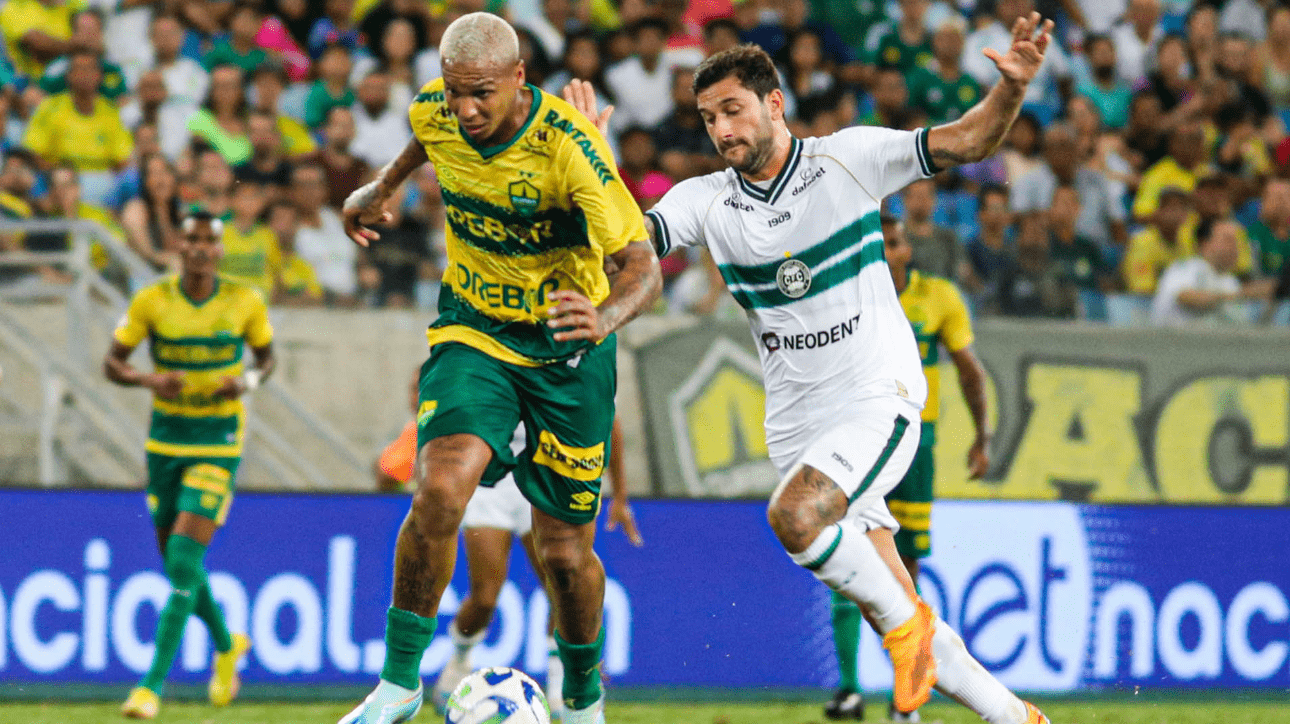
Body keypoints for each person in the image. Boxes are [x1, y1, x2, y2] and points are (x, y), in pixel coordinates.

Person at [572, 20, 1057, 722]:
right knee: (891, 597)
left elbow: (969, 139)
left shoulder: (850, 159)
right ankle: (1015, 715)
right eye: (708, 118)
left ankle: (907, 630)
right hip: (797, 427)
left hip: (878, 396)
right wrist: (592, 156)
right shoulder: (705, 200)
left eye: (733, 109)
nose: (721, 130)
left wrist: (1009, 88)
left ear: (775, 105)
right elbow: (628, 250)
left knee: (797, 519)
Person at [337, 12, 661, 724]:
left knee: (565, 555)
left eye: (482, 93)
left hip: (567, 351)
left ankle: (581, 695)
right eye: (456, 92)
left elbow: (643, 268)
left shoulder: (570, 149)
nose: (466, 109)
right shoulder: (438, 109)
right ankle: (398, 683)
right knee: (441, 487)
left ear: (520, 78)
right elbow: (428, 133)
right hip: (476, 329)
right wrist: (382, 187)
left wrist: (601, 320)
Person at [106, 210, 273, 720]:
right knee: (179, 563)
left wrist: (243, 383)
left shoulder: (244, 300)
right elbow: (112, 362)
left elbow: (267, 361)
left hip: (219, 440)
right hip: (166, 440)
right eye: (192, 239)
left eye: (209, 241)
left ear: (220, 249)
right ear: (179, 244)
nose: (200, 248)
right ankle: (227, 645)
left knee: (180, 559)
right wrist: (147, 381)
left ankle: (151, 686)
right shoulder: (152, 300)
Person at [825, 213, 991, 722]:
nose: (887, 251)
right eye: (879, 243)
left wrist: (982, 436)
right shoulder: (847, 297)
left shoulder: (938, 297)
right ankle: (850, 690)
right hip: (857, 446)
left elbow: (968, 369)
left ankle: (906, 698)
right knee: (846, 562)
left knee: (905, 571)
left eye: (893, 243)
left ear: (904, 250)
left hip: (915, 446)